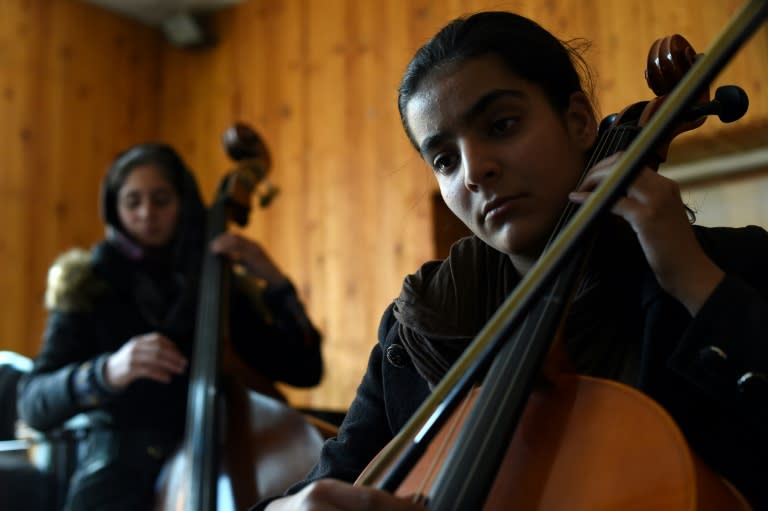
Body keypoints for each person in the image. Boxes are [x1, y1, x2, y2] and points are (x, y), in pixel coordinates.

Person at [254, 11, 768, 511]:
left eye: (501, 125)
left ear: (579, 121)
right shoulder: (417, 330)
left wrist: (695, 282)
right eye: (445, 160)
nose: (475, 171)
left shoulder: (731, 265)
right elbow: (328, 481)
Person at [16, 142, 324, 510]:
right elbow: (33, 402)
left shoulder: (219, 284)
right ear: (114, 208)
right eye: (133, 201)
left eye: (161, 199)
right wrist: (108, 371)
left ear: (183, 204)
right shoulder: (86, 284)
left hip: (221, 457)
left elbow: (305, 370)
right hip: (117, 467)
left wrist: (275, 282)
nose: (147, 213)